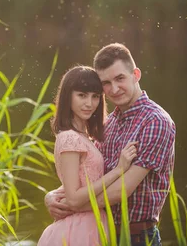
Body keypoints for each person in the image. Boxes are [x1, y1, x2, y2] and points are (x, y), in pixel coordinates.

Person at [44, 43, 176, 246]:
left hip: (135, 236)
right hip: (98, 232)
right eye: (106, 83)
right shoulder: (108, 124)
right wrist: (52, 196)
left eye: (120, 78)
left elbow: (120, 191)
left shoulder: (155, 121)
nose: (114, 89)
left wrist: (72, 205)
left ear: (136, 74)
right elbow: (86, 177)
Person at [37, 65, 138, 246]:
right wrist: (118, 170)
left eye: (95, 96)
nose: (89, 103)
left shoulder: (84, 137)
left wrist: (51, 195)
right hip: (79, 230)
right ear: (68, 96)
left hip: (92, 224)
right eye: (82, 95)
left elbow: (77, 183)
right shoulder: (70, 138)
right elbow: (74, 198)